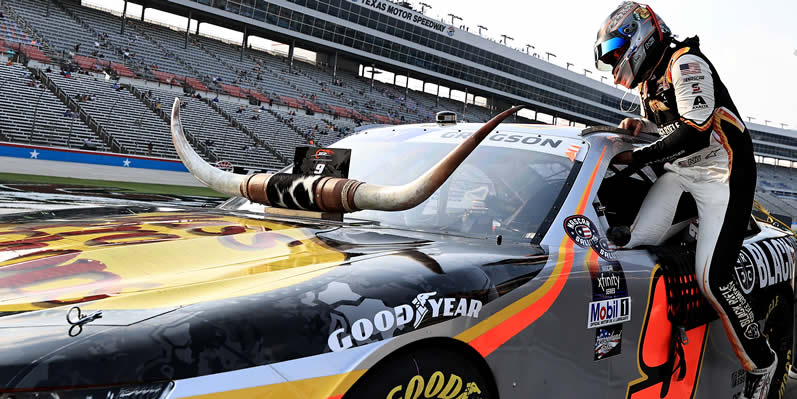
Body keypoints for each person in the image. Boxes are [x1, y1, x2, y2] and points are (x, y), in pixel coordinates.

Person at [594, 3, 774, 398]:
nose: (613, 65)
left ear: (638, 38)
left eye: (614, 53)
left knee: (713, 278)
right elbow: (670, 124)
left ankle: (762, 362)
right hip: (682, 173)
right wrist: (640, 126)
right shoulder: (650, 81)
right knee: (629, 241)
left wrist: (637, 155)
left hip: (724, 175)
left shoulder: (685, 62)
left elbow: (694, 130)